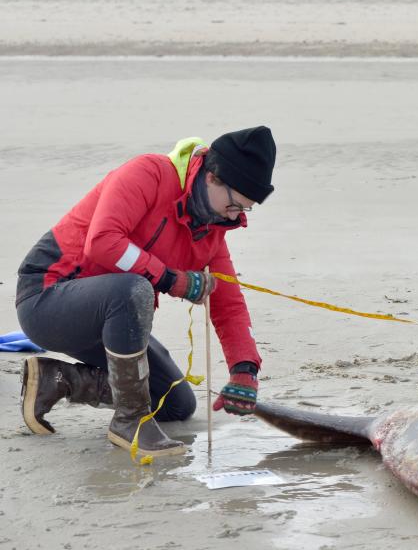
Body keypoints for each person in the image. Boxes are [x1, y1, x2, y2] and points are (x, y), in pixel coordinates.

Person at [16, 126, 276, 456]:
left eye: (246, 209)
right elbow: (103, 242)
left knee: (176, 403)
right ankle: (130, 422)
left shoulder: (211, 230)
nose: (237, 216)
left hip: (112, 319)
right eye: (237, 204)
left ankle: (57, 380)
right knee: (134, 288)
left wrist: (244, 370)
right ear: (213, 176)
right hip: (47, 296)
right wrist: (170, 279)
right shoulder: (148, 174)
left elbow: (228, 302)